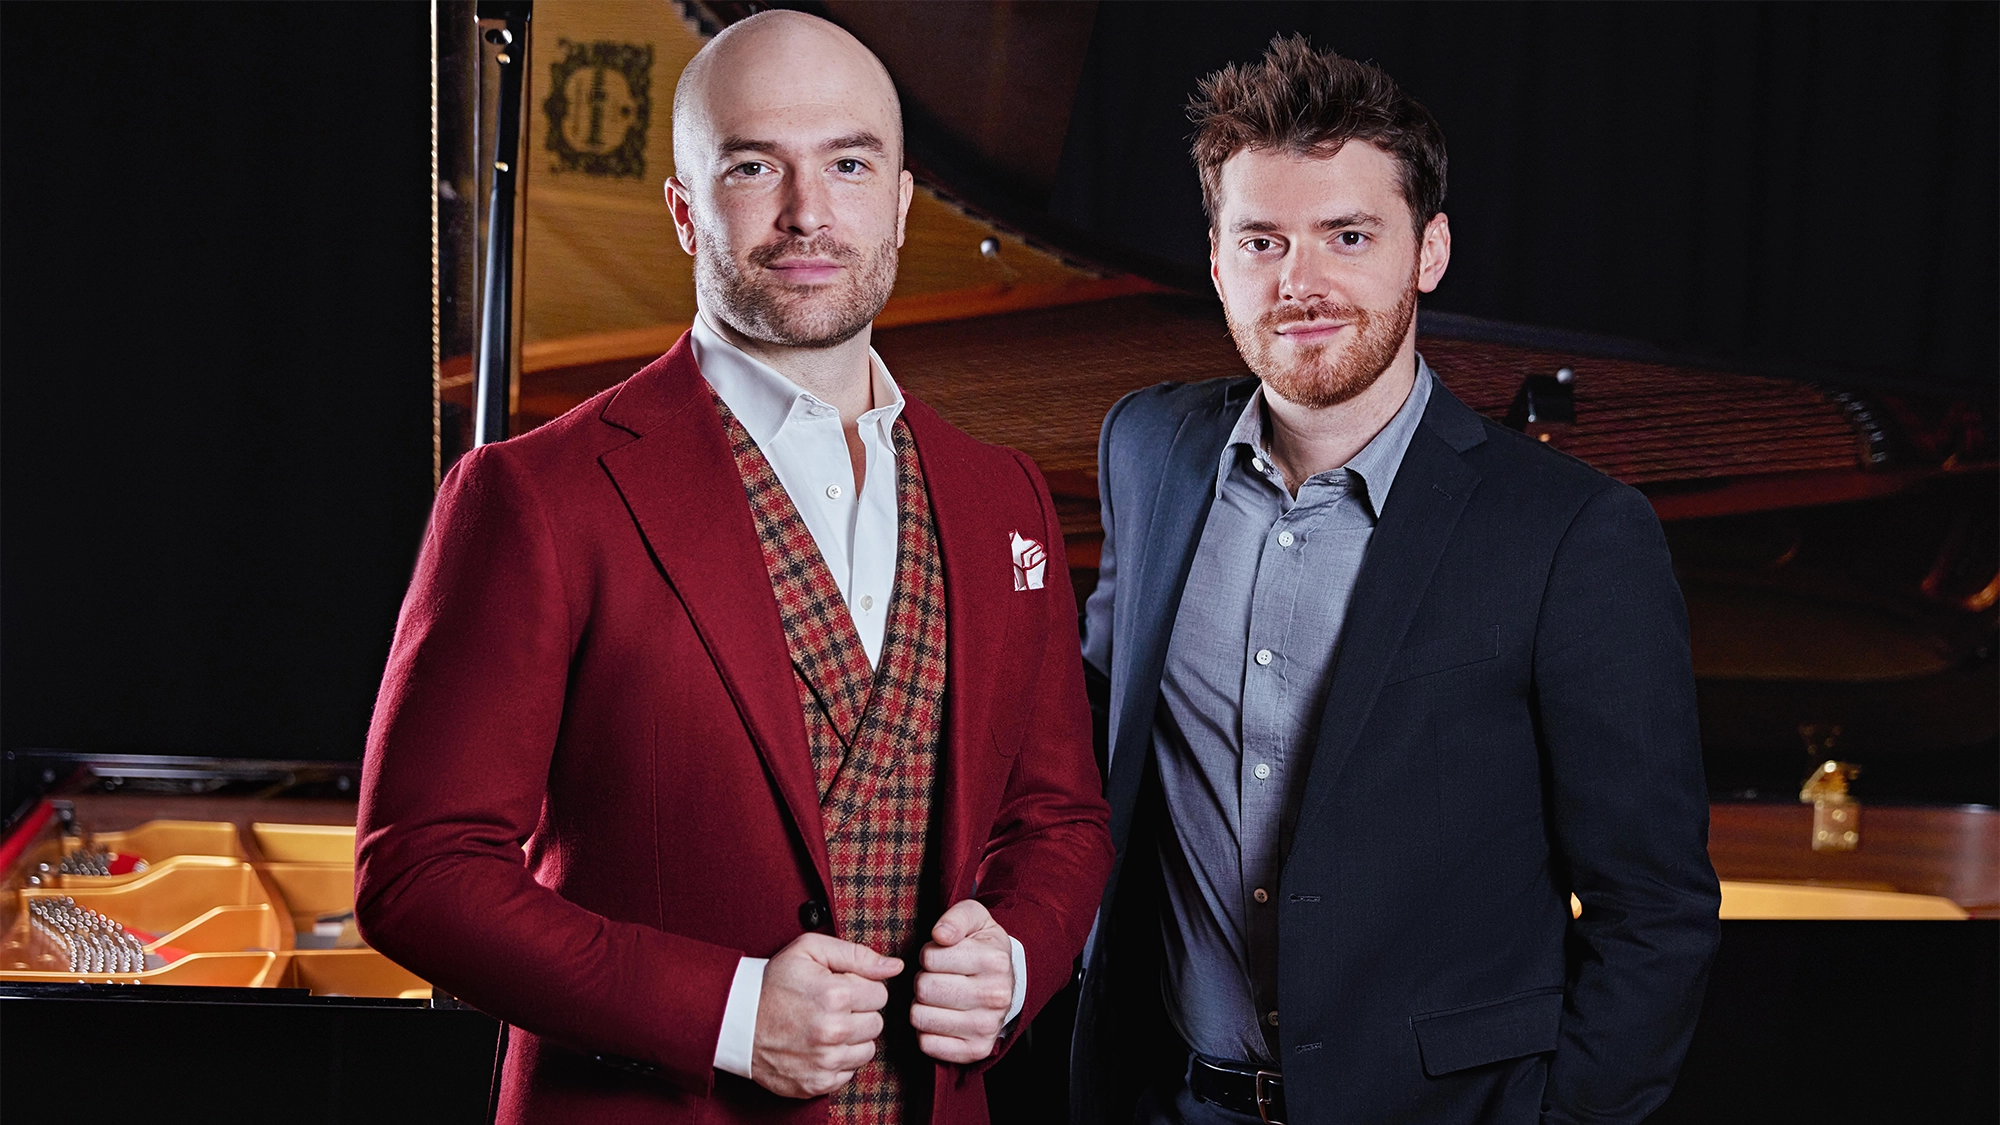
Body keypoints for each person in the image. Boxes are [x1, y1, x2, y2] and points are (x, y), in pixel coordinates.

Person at [355, 12, 1111, 1124]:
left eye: (849, 164)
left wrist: (1014, 961)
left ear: (902, 203)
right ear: (683, 210)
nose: (807, 212)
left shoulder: (1004, 497)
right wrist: (729, 1012)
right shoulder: (533, 495)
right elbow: (419, 872)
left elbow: (1059, 821)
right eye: (754, 167)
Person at [1071, 36, 1719, 1125]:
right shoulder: (1146, 450)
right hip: (1175, 1101)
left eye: (1348, 236)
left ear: (1428, 250)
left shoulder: (1572, 533)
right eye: (1262, 241)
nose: (1300, 282)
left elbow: (1653, 908)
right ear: (1218, 260)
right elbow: (1086, 744)